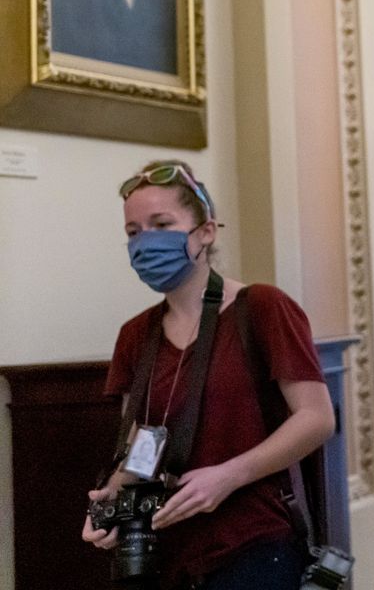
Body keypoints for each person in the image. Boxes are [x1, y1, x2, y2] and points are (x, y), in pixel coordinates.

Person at [82, 160, 336, 589]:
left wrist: (228, 475)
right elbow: (141, 441)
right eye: (133, 232)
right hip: (166, 550)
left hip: (254, 543)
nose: (145, 242)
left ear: (206, 231)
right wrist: (114, 495)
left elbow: (317, 419)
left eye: (161, 223)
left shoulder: (263, 308)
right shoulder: (136, 335)